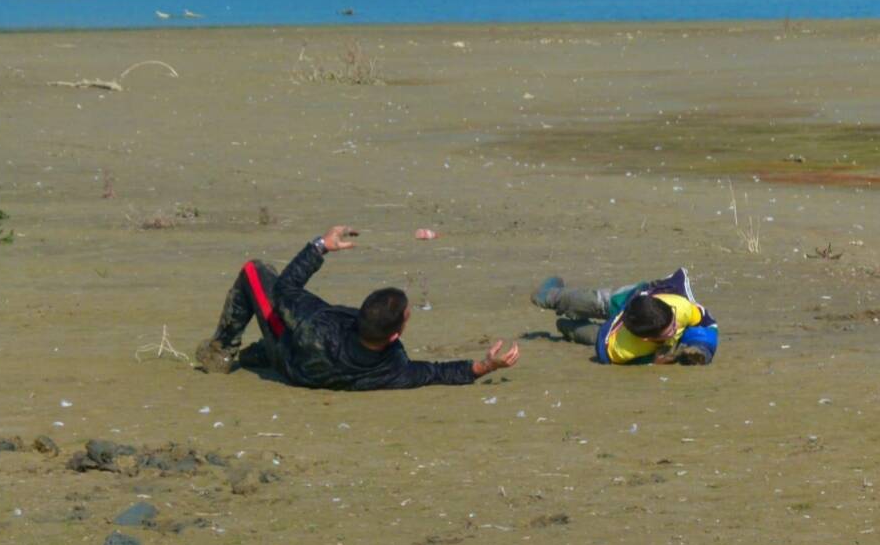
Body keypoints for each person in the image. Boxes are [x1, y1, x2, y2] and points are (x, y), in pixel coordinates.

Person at [195, 225, 520, 389]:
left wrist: (320, 246)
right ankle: (256, 355)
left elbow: (284, 290)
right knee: (268, 340)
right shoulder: (394, 369)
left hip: (295, 354)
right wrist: (486, 366)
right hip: (306, 371)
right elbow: (437, 372)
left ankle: (221, 350)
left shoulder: (319, 326)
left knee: (255, 270)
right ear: (395, 335)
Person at [530, 268, 718, 365]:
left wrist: (701, 347)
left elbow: (706, 323)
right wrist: (651, 360)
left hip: (644, 300)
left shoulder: (680, 306)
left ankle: (567, 327)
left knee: (586, 332)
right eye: (669, 331)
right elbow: (603, 352)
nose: (676, 328)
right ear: (647, 338)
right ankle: (551, 296)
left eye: (674, 323)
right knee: (600, 305)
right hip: (627, 302)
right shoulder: (622, 348)